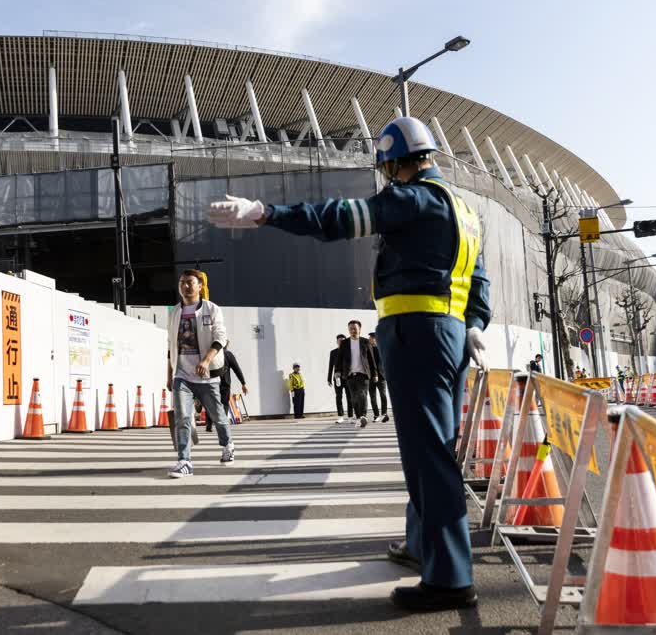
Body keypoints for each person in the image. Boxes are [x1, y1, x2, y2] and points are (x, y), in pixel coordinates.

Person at [208, 116, 490, 611]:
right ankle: (423, 545)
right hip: (451, 335)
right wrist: (475, 324)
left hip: (416, 334)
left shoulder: (412, 199)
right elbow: (479, 283)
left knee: (429, 458)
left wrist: (265, 213)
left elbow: (341, 218)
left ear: (390, 163)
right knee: (433, 451)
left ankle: (449, 579)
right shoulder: (464, 210)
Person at [166, 269, 235, 478]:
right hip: (182, 374)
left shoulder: (212, 309)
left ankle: (228, 445)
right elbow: (171, 346)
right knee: (183, 417)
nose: (185, 286)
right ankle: (184, 461)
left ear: (199, 286)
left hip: (207, 374)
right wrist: (169, 373)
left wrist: (206, 360)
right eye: (182, 283)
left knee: (217, 416)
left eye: (189, 282)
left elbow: (220, 337)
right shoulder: (174, 312)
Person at [334, 320, 378, 428]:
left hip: (363, 374)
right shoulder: (344, 343)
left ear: (359, 329)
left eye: (355, 328)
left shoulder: (365, 342)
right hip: (349, 375)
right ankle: (358, 417)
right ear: (348, 330)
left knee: (362, 394)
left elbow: (371, 359)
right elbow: (339, 359)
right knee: (353, 398)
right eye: (350, 329)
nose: (353, 330)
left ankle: (363, 416)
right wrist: (337, 372)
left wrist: (375, 374)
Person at [210, 341, 248, 431]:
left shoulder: (211, 354)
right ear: (226, 345)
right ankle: (222, 423)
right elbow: (236, 369)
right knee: (224, 403)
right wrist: (243, 383)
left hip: (212, 381)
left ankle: (209, 424)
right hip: (224, 382)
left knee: (212, 402)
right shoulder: (228, 354)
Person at [328, 334, 354, 423]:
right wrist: (329, 378)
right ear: (337, 342)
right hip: (337, 378)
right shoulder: (333, 352)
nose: (341, 342)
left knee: (349, 397)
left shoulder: (349, 351)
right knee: (338, 397)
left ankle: (350, 416)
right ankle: (340, 416)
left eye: (343, 340)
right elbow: (331, 366)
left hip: (348, 378)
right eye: (339, 340)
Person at [369, 332, 389, 422]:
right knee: (372, 397)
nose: (370, 339)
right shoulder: (367, 350)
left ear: (375, 339)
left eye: (371, 338)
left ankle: (384, 413)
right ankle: (376, 415)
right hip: (370, 377)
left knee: (383, 395)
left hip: (381, 376)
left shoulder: (382, 349)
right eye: (369, 338)